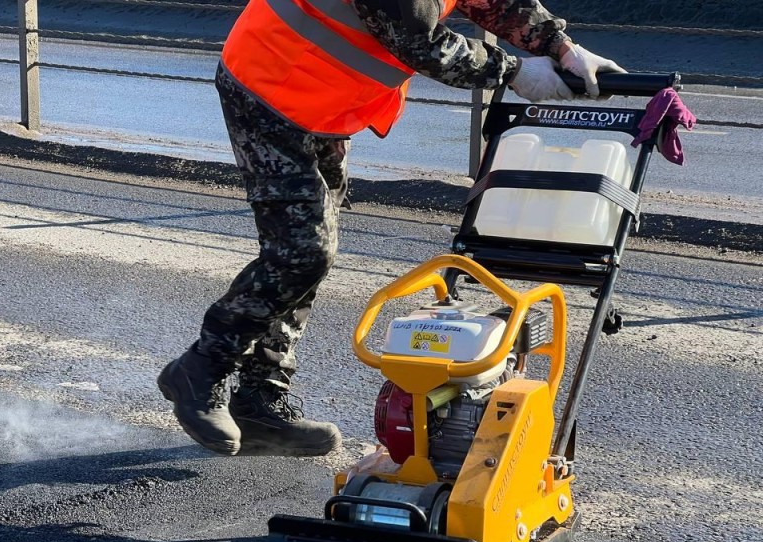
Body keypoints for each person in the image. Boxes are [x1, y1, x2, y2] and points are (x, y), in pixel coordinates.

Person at [158, 0, 624, 457]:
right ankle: (202, 367)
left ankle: (259, 399)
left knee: (305, 256)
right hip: (269, 84)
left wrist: (562, 48)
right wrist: (514, 72)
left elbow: (494, 4)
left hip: (321, 101)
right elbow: (418, 42)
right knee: (303, 252)